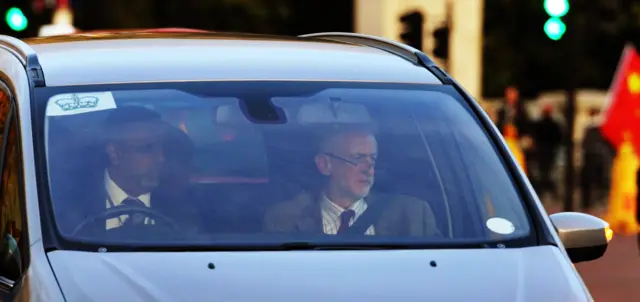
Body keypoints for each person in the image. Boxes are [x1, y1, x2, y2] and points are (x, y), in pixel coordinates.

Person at [263, 127, 440, 236]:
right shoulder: (284, 219)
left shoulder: (413, 215)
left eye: (372, 159)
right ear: (325, 164)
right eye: (358, 158)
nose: (368, 168)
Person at [57, 106, 199, 235]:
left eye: (164, 147)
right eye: (148, 148)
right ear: (115, 153)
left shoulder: (185, 204)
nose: (161, 157)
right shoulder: (68, 205)